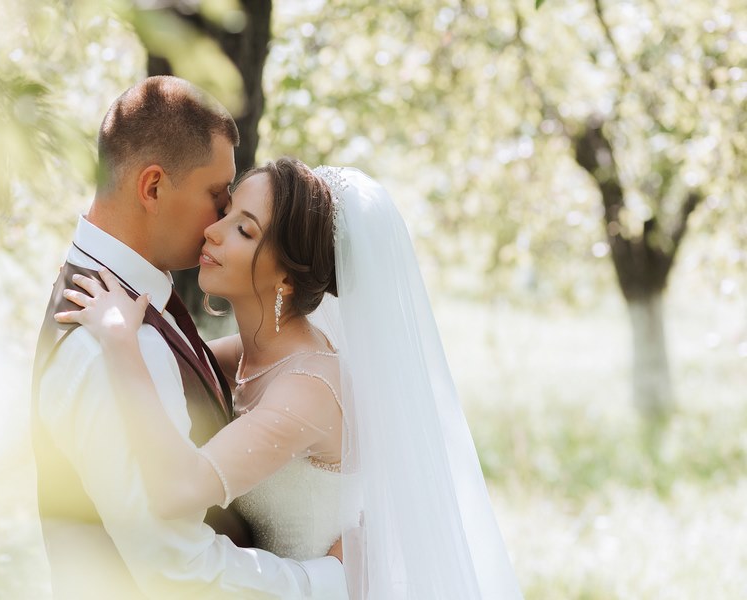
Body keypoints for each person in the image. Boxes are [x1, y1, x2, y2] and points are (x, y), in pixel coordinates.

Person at [58, 158, 525, 598]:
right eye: (224, 212)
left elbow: (180, 487)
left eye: (243, 229)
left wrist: (121, 341)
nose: (212, 232)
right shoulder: (253, 354)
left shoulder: (308, 388)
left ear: (284, 277)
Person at [31, 77, 348, 599]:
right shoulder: (108, 336)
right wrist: (326, 581)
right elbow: (177, 568)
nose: (217, 223)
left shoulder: (135, 313)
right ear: (153, 187)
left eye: (240, 220)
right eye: (216, 197)